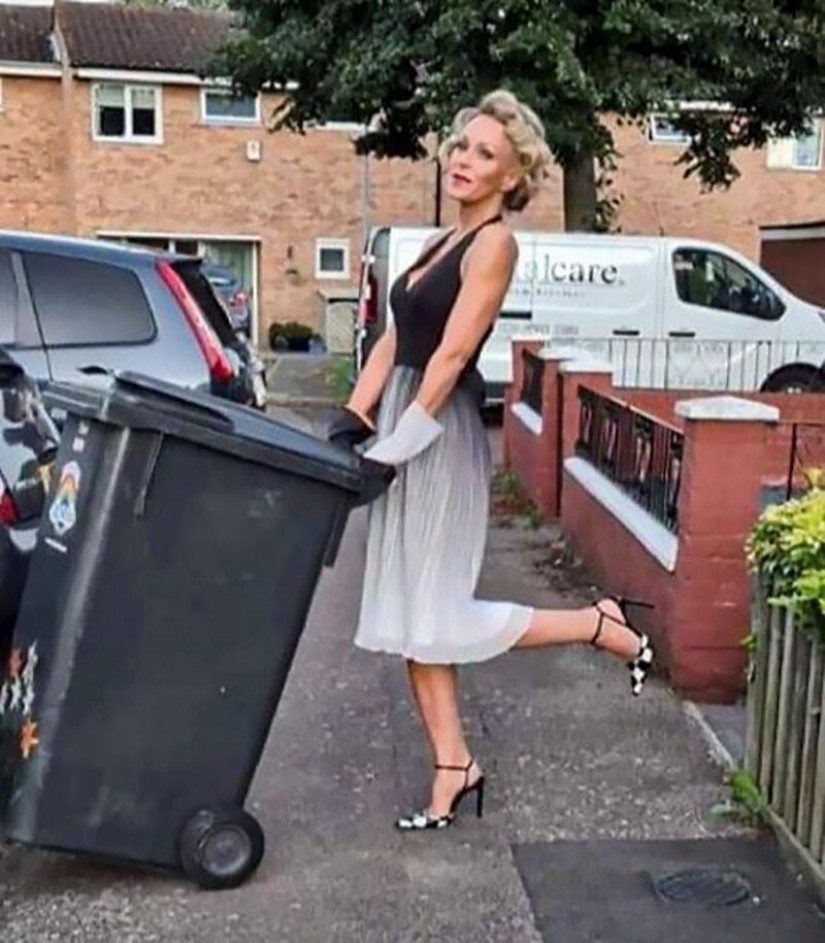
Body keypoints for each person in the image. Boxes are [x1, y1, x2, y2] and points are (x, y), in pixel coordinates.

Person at [326, 90, 655, 831]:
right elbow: (393, 337)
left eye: (482, 153)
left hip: (437, 437)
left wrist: (398, 443)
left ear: (511, 178)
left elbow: (449, 354)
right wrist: (352, 414)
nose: (462, 160)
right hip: (403, 419)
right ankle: (454, 765)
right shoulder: (439, 241)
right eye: (459, 146)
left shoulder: (494, 245)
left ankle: (593, 623)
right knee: (412, 618)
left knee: (434, 613)